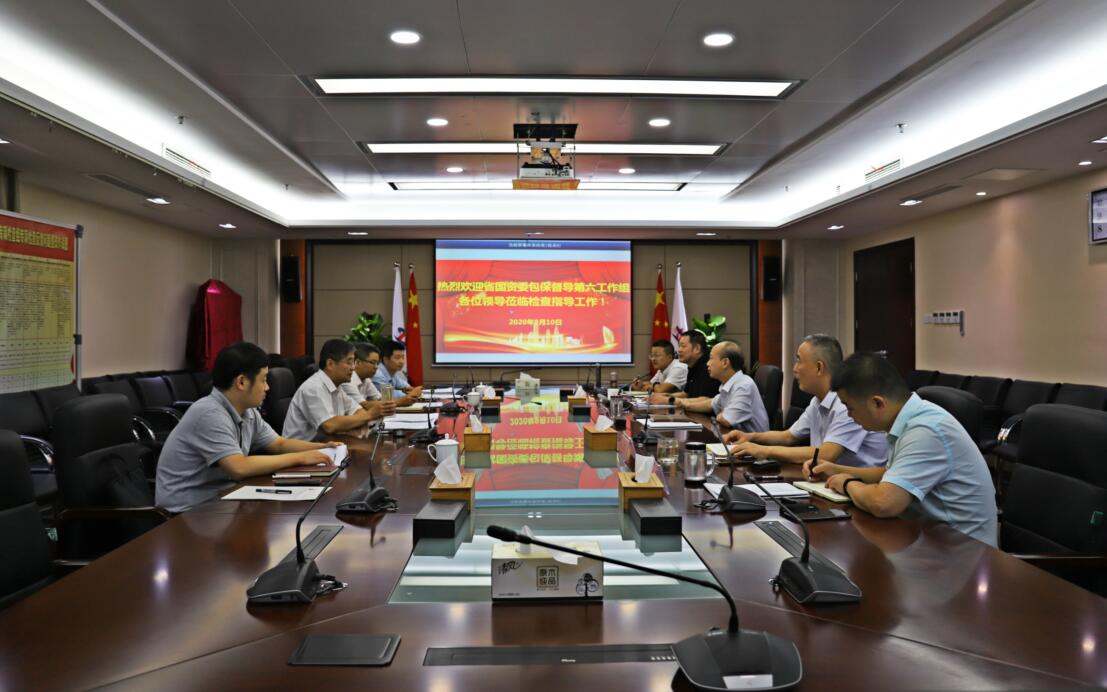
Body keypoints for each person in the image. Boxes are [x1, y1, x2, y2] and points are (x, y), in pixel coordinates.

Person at [809, 352, 998, 547]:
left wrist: (847, 483)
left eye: (850, 407)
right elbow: (891, 475)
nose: (849, 415)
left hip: (964, 551)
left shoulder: (925, 430)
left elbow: (883, 503)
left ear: (877, 403)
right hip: (931, 538)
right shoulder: (905, 419)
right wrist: (836, 470)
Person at [155, 342, 340, 513]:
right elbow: (238, 467)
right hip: (186, 512)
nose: (267, 387)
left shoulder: (247, 411)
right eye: (264, 380)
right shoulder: (209, 413)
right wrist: (300, 458)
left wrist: (322, 448)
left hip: (220, 499)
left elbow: (279, 444)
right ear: (241, 382)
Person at [723, 334, 887, 467]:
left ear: (819, 367)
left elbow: (826, 454)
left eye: (799, 360)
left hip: (860, 487)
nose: (794, 369)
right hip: (829, 481)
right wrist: (750, 437)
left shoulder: (846, 404)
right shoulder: (818, 401)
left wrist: (764, 451)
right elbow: (788, 436)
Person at [282, 338, 384, 441]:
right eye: (349, 362)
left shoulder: (337, 387)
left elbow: (357, 410)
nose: (353, 367)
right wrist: (369, 415)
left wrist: (359, 421)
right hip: (301, 448)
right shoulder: (313, 387)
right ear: (330, 364)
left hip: (326, 444)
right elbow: (330, 425)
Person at [675, 341, 769, 432]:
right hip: (736, 438)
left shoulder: (744, 386)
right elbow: (710, 404)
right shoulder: (730, 384)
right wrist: (684, 404)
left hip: (752, 441)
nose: (707, 363)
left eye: (711, 358)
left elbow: (725, 420)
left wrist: (720, 415)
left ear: (725, 362)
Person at [650, 330, 719, 401]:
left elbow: (706, 400)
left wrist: (669, 400)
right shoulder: (692, 366)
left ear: (697, 348)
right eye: (679, 346)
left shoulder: (709, 367)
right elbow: (687, 394)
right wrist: (665, 396)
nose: (679, 350)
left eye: (683, 346)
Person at [340, 342, 405, 416]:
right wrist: (401, 401)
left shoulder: (366, 379)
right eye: (372, 362)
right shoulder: (348, 380)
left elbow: (380, 399)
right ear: (357, 362)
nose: (376, 367)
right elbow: (364, 405)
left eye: (377, 363)